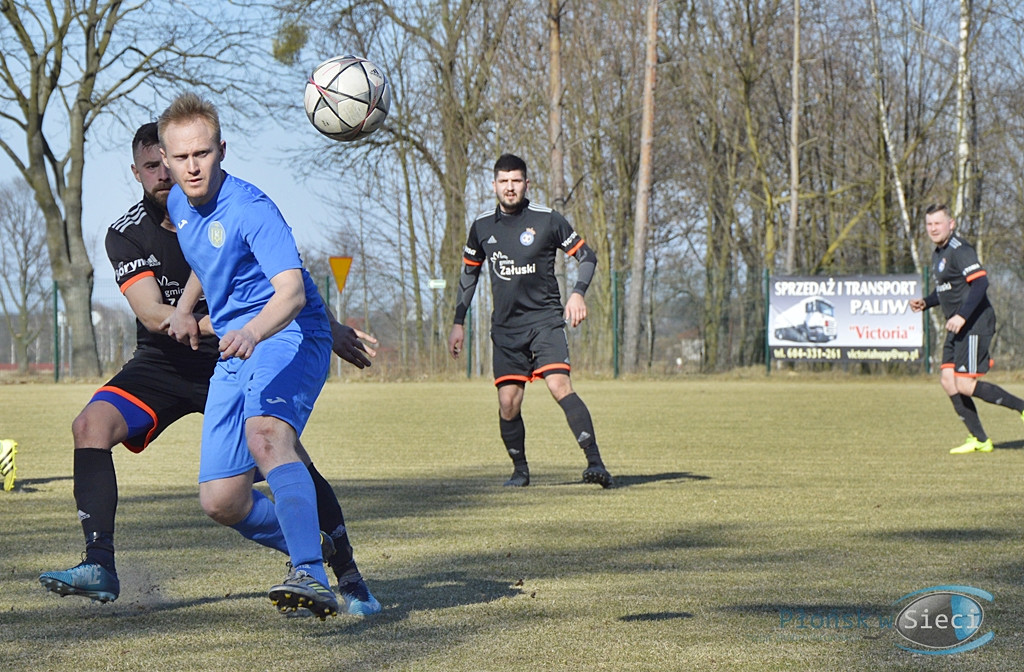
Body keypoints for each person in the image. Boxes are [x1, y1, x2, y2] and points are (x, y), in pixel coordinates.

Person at [38, 121, 376, 619]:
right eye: (162, 163)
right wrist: (188, 313)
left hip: (253, 343)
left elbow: (287, 280)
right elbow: (165, 305)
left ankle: (333, 570)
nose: (176, 170)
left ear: (217, 152)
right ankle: (100, 562)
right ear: (144, 169)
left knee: (275, 444)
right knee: (202, 490)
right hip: (174, 360)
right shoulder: (135, 229)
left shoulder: (243, 206)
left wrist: (316, 325)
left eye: (195, 155)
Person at [448, 153, 613, 488]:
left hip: (545, 320)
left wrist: (578, 293)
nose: (510, 188)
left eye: (516, 181)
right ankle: (520, 471)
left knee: (559, 385)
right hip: (506, 329)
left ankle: (596, 464)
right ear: (494, 185)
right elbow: (469, 276)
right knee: (508, 402)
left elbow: (587, 256)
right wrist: (458, 322)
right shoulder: (481, 227)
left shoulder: (547, 219)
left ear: (527, 183)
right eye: (504, 182)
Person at [910, 203, 1024, 454]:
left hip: (974, 322)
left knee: (963, 384)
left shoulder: (960, 250)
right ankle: (980, 439)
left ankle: (1022, 407)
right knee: (948, 381)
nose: (933, 228)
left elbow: (981, 282)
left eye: (938, 223)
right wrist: (926, 302)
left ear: (951, 224)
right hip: (957, 325)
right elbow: (947, 291)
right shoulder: (938, 253)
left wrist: (962, 315)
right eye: (929, 224)